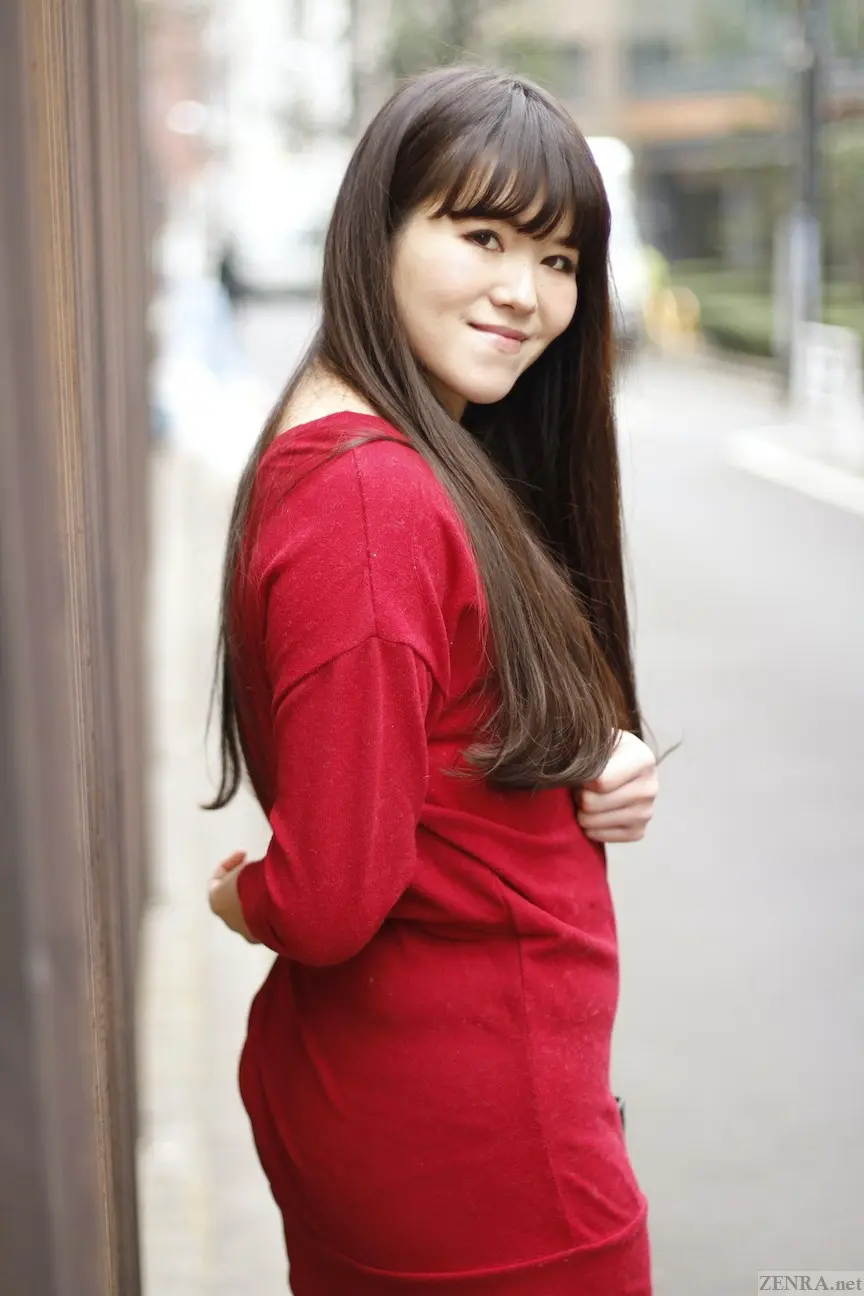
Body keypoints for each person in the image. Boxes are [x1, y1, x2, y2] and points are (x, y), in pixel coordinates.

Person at [206, 64, 659, 1295]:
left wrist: (589, 753)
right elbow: (330, 896)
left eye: (560, 259)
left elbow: (432, 721)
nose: (527, 293)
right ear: (379, 227)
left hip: (431, 1118)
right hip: (480, 1165)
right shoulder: (372, 497)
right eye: (483, 236)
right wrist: (248, 898)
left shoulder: (391, 456)